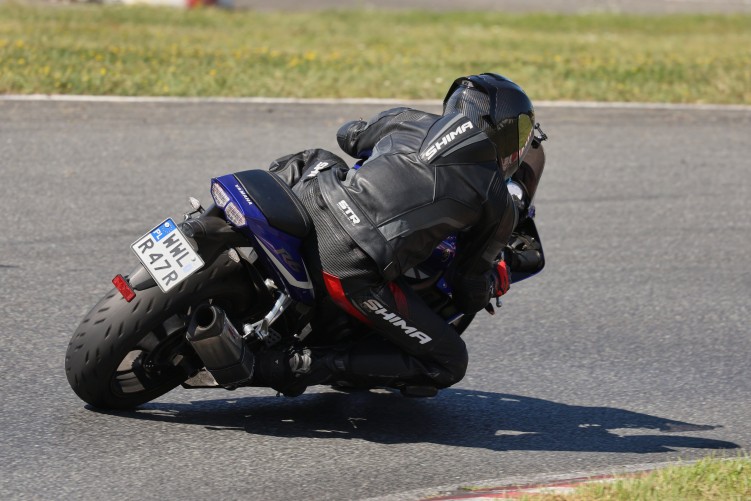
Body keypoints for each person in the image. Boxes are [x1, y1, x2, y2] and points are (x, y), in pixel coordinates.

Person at [254, 73, 546, 396]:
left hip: (315, 199)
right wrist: (494, 281)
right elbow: (467, 287)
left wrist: (379, 135)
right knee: (450, 361)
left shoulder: (411, 119)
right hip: (350, 262)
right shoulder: (498, 200)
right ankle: (301, 363)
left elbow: (349, 137)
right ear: (502, 131)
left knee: (321, 159)